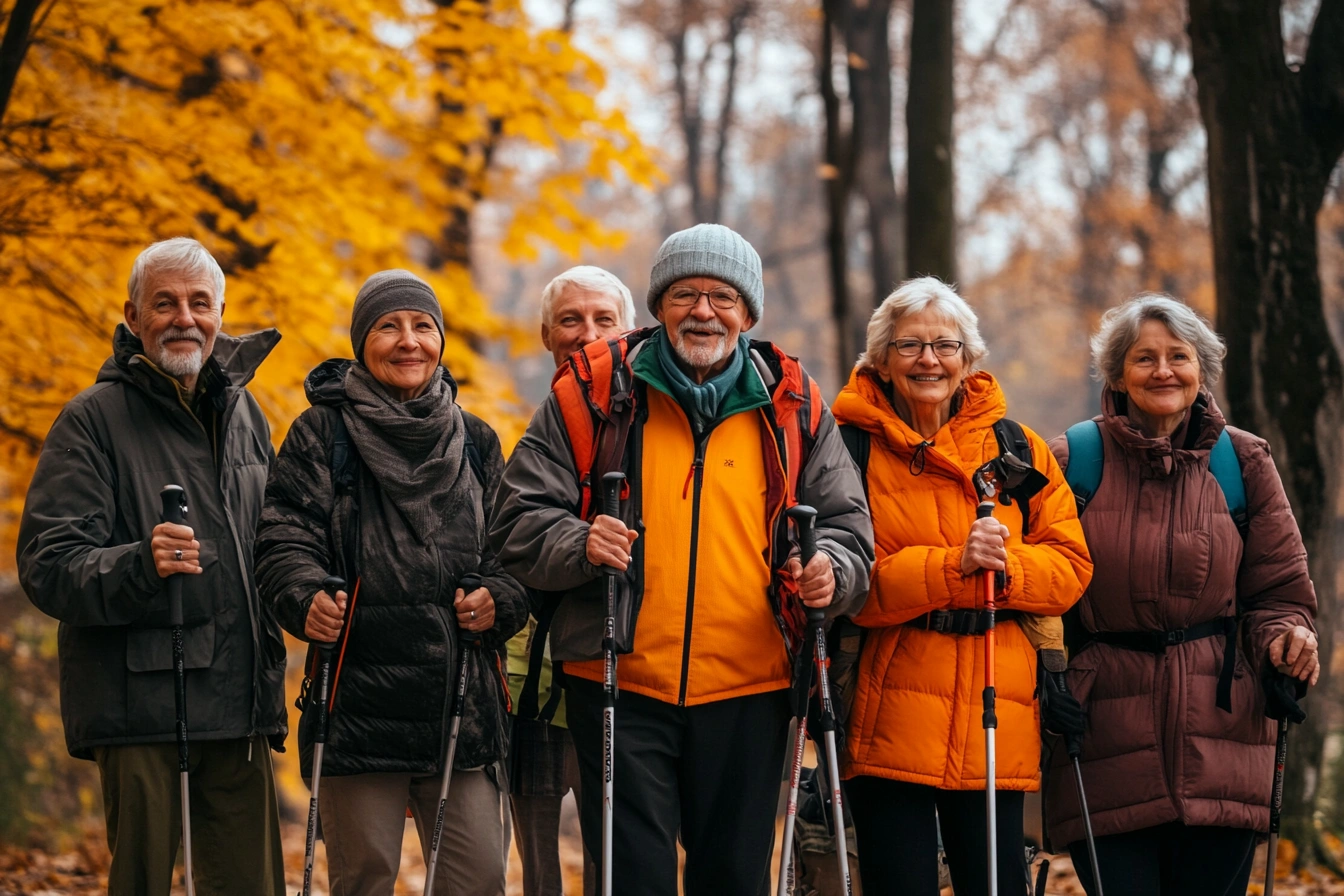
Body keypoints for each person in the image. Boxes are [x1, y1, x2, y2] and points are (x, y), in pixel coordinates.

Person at [490, 223, 875, 896]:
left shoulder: (792, 402)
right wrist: (580, 543)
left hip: (751, 689)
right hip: (618, 682)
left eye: (722, 297)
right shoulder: (592, 392)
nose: (703, 312)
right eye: (684, 295)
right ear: (659, 307)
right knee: (631, 881)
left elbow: (849, 529)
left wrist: (830, 571)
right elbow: (517, 520)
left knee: (733, 879)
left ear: (748, 313)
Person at [16, 237, 287, 895]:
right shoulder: (91, 421)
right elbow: (48, 564)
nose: (183, 318)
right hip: (141, 707)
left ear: (220, 313)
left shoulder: (246, 414)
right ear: (133, 317)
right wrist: (141, 563)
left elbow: (275, 544)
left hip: (242, 704)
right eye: (164, 304)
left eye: (199, 303)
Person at [254, 269, 527, 896]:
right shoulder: (322, 434)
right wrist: (304, 595)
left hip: (461, 706)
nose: (409, 341)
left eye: (423, 326)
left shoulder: (478, 441)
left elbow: (513, 553)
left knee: (478, 879)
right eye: (388, 326)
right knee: (365, 880)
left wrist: (501, 599)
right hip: (357, 707)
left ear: (440, 341)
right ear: (362, 342)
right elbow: (283, 536)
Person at [1043, 294, 1318, 896]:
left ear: (1201, 369)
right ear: (1118, 375)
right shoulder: (1072, 460)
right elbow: (1039, 590)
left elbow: (1279, 591)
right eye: (1144, 358)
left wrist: (1285, 640)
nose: (1163, 371)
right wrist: (1050, 674)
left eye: (1179, 356)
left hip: (1224, 732)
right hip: (1102, 732)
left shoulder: (1243, 461)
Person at [831, 276, 1092, 895]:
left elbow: (1070, 569)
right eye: (909, 346)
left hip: (996, 711)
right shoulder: (847, 448)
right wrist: (954, 567)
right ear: (881, 361)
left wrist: (1007, 569)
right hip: (886, 715)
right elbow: (851, 588)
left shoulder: (1019, 448)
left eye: (945, 346)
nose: (929, 360)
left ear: (968, 359)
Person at [507, 265, 635, 896]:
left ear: (629, 331)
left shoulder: (648, 427)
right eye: (570, 320)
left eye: (603, 320)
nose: (587, 334)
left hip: (617, 677)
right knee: (539, 870)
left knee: (614, 855)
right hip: (529, 684)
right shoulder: (529, 432)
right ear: (545, 335)